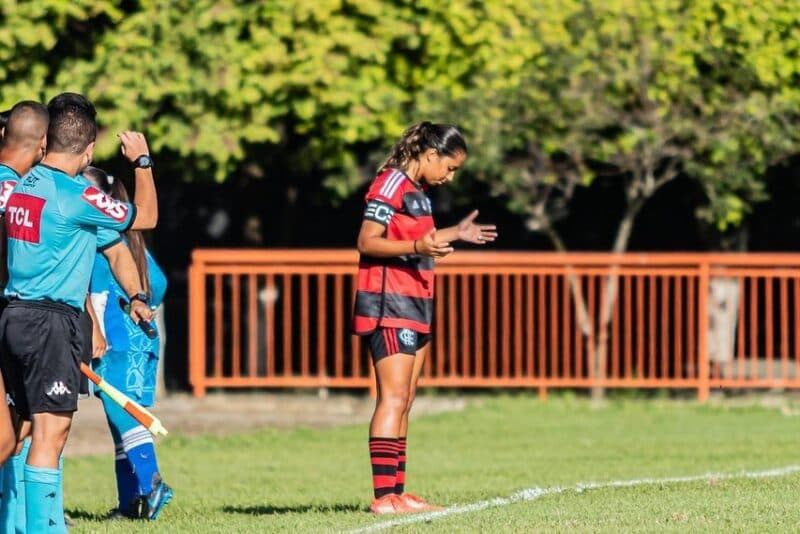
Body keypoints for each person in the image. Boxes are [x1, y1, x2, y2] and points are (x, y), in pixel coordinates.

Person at [0, 92, 158, 532]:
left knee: (18, 435)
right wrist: (142, 163)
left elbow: (112, 248)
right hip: (51, 321)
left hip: (13, 316)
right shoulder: (78, 195)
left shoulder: (19, 184)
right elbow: (144, 217)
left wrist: (136, 296)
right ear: (88, 150)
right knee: (50, 436)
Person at [353, 122, 497, 514]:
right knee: (393, 397)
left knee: (407, 399)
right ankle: (384, 498)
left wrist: (453, 233)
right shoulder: (389, 184)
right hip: (389, 304)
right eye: (449, 168)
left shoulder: (419, 193)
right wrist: (420, 244)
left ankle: (397, 491)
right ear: (430, 154)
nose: (449, 177)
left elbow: (418, 242)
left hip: (416, 303)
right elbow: (367, 240)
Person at [84, 165, 172, 520]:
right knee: (121, 417)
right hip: (142, 340)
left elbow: (85, 289)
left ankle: (152, 485)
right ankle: (130, 503)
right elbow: (160, 282)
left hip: (113, 338)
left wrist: (100, 324)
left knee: (123, 414)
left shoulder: (93, 238)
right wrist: (144, 305)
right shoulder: (127, 237)